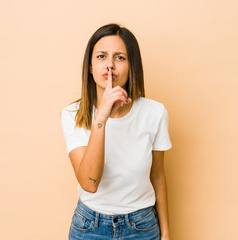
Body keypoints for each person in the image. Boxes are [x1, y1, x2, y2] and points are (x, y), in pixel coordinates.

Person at [61, 23, 172, 240]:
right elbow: (89, 183)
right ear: (90, 67)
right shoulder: (72, 114)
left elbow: (158, 176)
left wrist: (166, 234)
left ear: (132, 66)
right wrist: (101, 117)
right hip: (90, 228)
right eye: (101, 56)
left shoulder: (155, 112)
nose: (110, 65)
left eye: (120, 57)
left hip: (142, 227)